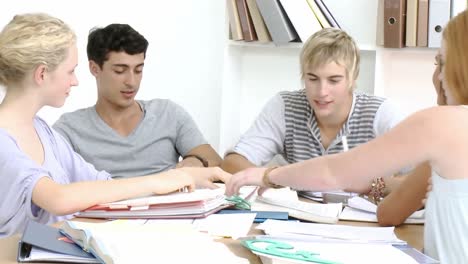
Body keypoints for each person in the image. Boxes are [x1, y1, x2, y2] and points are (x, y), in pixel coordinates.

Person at [226, 10, 468, 263]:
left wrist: (268, 175)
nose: (437, 75)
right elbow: (388, 214)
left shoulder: (441, 123)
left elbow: (333, 173)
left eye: (441, 62)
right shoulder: (442, 138)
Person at [0, 13, 230, 238]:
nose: (75, 81)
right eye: (70, 71)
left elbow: (102, 184)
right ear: (42, 74)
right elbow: (58, 198)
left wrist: (184, 176)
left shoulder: (43, 132)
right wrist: (161, 180)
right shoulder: (3, 137)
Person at [221, 27, 407, 195]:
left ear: (353, 78)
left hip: (364, 223)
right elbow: (232, 163)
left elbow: (421, 181)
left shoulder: (380, 113)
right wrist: (272, 177)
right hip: (300, 219)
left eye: (334, 80)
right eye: (312, 79)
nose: (322, 92)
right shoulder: (285, 106)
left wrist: (373, 185)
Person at [53, 23, 221, 178]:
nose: (131, 82)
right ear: (94, 69)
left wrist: (197, 161)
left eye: (138, 70)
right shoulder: (69, 129)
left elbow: (217, 164)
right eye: (120, 71)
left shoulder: (168, 114)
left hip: (169, 208)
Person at [376, 52, 447, 226]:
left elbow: (388, 213)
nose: (438, 74)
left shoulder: (448, 134)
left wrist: (373, 183)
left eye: (440, 63)